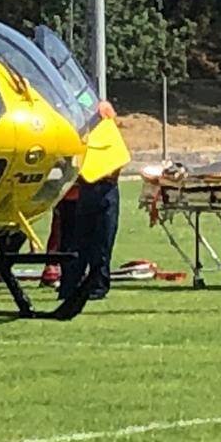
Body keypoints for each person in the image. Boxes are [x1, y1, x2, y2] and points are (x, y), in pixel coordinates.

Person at [59, 100, 126, 303]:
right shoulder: (80, 129)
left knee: (102, 243)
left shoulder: (107, 132)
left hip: (104, 189)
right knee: (80, 242)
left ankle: (97, 286)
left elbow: (118, 161)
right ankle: (70, 286)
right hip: (88, 190)